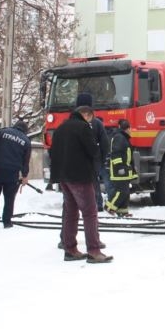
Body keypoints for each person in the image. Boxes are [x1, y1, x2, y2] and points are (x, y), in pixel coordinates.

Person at [49, 104, 112, 263]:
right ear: (86, 114)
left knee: (71, 211)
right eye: (90, 117)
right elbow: (93, 150)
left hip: (63, 177)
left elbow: (52, 152)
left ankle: (69, 248)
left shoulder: (60, 128)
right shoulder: (83, 128)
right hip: (80, 176)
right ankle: (94, 250)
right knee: (90, 212)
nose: (91, 120)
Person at [0, 120, 31, 228]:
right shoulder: (26, 141)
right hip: (12, 173)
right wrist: (24, 176)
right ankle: (7, 222)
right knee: (9, 198)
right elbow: (25, 161)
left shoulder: (2, 132)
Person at [75, 92, 110, 212]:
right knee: (93, 182)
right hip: (93, 161)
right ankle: (98, 204)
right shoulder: (97, 124)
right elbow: (105, 143)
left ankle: (78, 205)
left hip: (77, 161)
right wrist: (103, 158)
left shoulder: (71, 124)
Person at [105, 119, 136, 217]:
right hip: (119, 171)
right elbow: (116, 154)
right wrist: (120, 168)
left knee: (126, 192)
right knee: (121, 191)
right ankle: (109, 207)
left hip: (124, 170)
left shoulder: (122, 137)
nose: (131, 131)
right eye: (130, 128)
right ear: (127, 129)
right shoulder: (119, 138)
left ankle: (122, 211)